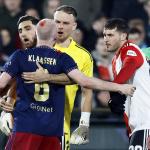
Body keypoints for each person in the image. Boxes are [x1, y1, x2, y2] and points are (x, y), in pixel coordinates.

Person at [0, 18, 135, 150]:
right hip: (52, 130)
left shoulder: (20, 56)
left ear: (36, 34)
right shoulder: (62, 58)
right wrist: (119, 87)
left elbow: (1, 84)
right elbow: (85, 81)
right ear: (55, 36)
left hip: (26, 126)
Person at [103, 18, 150, 149]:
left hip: (146, 122)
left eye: (110, 35)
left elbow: (130, 65)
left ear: (123, 35)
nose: (106, 39)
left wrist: (115, 91)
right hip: (136, 125)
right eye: (104, 35)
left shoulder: (130, 49)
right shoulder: (115, 60)